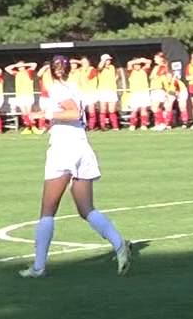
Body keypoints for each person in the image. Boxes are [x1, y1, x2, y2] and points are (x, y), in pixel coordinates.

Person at [19, 55, 131, 278]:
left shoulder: (57, 89)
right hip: (81, 147)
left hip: (63, 149)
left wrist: (44, 114)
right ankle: (120, 245)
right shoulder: (73, 87)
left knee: (47, 211)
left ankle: (39, 267)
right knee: (86, 208)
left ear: (50, 72)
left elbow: (73, 113)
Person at [7, 61, 39, 133]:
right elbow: (7, 68)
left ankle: (33, 127)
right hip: (20, 95)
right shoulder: (16, 73)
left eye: (21, 66)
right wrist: (16, 65)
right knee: (24, 113)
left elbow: (34, 64)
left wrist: (23, 64)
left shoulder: (28, 71)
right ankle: (28, 127)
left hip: (28, 94)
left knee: (29, 112)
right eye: (19, 66)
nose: (20, 67)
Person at [71, 56, 98, 130]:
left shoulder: (92, 69)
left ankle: (91, 126)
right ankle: (82, 124)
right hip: (81, 93)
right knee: (81, 110)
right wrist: (78, 61)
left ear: (89, 62)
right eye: (83, 62)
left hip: (91, 92)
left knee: (91, 110)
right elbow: (70, 61)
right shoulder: (79, 70)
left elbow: (89, 77)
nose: (84, 64)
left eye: (86, 62)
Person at [126, 56, 153, 130]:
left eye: (139, 65)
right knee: (134, 110)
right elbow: (129, 63)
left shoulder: (144, 70)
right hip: (134, 93)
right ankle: (132, 125)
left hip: (144, 92)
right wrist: (137, 61)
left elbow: (149, 62)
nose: (137, 66)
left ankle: (143, 125)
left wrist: (142, 60)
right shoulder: (131, 71)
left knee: (144, 109)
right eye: (136, 65)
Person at [149, 52, 173, 130]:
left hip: (159, 89)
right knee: (156, 107)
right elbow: (151, 77)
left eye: (156, 58)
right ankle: (159, 123)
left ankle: (162, 123)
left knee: (155, 107)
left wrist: (167, 90)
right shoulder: (156, 67)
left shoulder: (163, 67)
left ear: (161, 59)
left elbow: (166, 78)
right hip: (153, 89)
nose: (154, 59)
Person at [95, 54, 120, 131]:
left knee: (112, 110)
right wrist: (103, 60)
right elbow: (99, 67)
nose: (109, 61)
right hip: (103, 90)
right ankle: (103, 126)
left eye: (109, 60)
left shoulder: (112, 67)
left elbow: (116, 76)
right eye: (107, 60)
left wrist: (115, 80)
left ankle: (115, 126)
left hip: (112, 90)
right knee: (103, 109)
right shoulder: (100, 68)